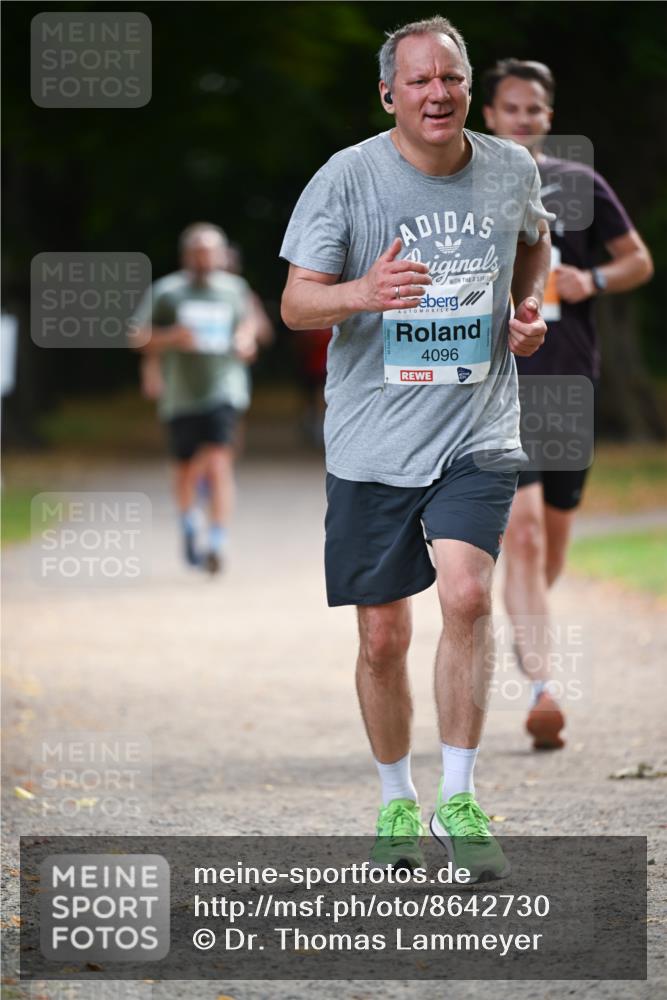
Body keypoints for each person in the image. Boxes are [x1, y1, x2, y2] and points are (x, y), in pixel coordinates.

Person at [280, 17, 552, 880]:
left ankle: (459, 797)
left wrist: (523, 309)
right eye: (419, 81)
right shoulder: (347, 178)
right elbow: (294, 304)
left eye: (452, 78)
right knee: (381, 639)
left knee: (468, 595)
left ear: (467, 86)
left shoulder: (510, 166)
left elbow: (535, 238)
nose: (438, 93)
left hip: (477, 428)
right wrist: (363, 290)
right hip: (371, 443)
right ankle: (396, 797)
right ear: (389, 94)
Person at [481, 59, 654, 749]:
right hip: (498, 388)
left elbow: (638, 259)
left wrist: (593, 280)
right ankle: (542, 686)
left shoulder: (579, 186)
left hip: (566, 384)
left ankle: (525, 621)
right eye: (510, 108)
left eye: (534, 109)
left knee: (547, 549)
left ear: (547, 117)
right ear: (488, 115)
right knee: (518, 534)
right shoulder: (469, 186)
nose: (523, 118)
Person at [131, 223, 267, 573]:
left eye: (212, 252)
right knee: (186, 469)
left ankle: (218, 539)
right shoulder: (167, 292)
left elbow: (251, 326)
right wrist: (172, 338)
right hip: (181, 395)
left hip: (225, 388)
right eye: (199, 252)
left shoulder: (234, 289)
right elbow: (138, 337)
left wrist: (245, 339)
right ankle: (190, 522)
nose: (206, 259)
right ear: (187, 256)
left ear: (222, 255)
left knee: (220, 461)